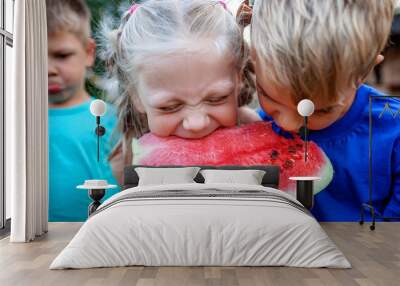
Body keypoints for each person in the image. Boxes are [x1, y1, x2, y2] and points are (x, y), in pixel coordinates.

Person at [248, 0, 400, 221]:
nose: (287, 125)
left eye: (318, 111)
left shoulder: (393, 133)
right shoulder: (253, 128)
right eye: (268, 95)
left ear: (365, 71)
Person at [102, 0, 257, 183]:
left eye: (217, 99)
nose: (196, 123)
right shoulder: (123, 165)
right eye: (170, 107)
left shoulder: (256, 132)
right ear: (136, 96)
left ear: (238, 79)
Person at [47, 0, 119, 221]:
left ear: (88, 52)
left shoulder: (114, 119)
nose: (49, 69)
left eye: (61, 55)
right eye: (35, 56)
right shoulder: (10, 121)